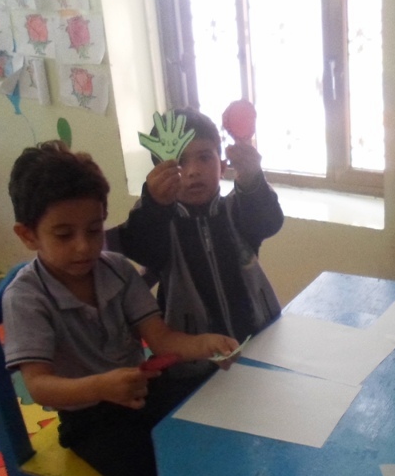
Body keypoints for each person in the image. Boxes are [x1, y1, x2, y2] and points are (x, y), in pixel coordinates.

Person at [3, 141, 240, 476]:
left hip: (140, 391)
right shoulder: (26, 297)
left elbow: (160, 337)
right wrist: (100, 387)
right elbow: (39, 386)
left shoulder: (115, 270)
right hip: (91, 419)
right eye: (64, 234)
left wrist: (204, 344)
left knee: (213, 437)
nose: (84, 247)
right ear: (28, 235)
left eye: (94, 230)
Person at [114, 107, 283, 396]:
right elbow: (140, 246)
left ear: (222, 164)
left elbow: (269, 222)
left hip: (256, 345)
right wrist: (154, 204)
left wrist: (253, 179)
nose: (192, 171)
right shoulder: (160, 222)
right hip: (190, 365)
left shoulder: (237, 210)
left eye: (205, 157)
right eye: (179, 161)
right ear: (159, 172)